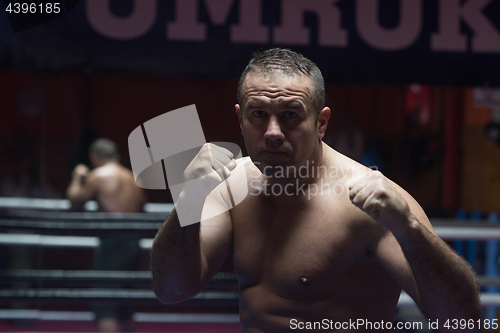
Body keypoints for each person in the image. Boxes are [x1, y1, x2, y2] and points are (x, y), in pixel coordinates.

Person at [151, 49, 480, 332]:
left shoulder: (364, 202)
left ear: (321, 123)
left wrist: (408, 227)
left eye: (290, 115)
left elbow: (460, 319)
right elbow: (171, 290)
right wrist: (188, 201)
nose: (273, 133)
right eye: (258, 115)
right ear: (240, 118)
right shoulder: (229, 184)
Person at [67, 138, 146, 333]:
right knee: (124, 303)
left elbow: (74, 200)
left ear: (94, 158)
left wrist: (78, 176)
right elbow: (142, 206)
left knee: (104, 303)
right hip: (135, 241)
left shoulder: (98, 176)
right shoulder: (133, 178)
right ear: (116, 157)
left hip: (114, 241)